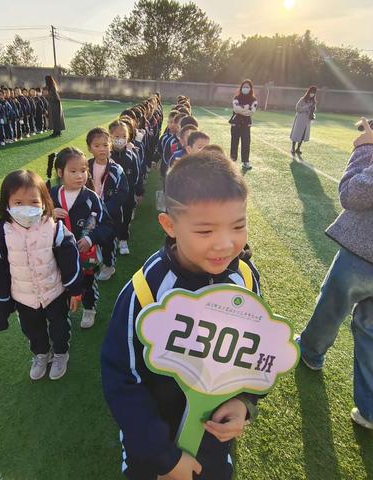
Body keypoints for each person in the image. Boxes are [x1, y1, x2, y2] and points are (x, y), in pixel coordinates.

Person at [101, 152, 262, 480]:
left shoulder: (245, 279)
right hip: (154, 443)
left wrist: (245, 401)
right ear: (170, 225)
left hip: (213, 436)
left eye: (238, 225)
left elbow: (256, 353)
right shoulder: (145, 292)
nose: (225, 243)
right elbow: (122, 379)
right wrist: (165, 457)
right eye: (205, 231)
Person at [297, 119, 373, 436]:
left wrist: (366, 148)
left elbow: (353, 194)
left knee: (332, 306)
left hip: (367, 253)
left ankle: (311, 352)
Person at [0, 170, 83, 380]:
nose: (26, 209)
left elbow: (70, 260)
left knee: (60, 327)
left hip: (54, 292)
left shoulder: (54, 228)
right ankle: (41, 354)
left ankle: (61, 353)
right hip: (24, 297)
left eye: (33, 202)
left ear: (45, 202)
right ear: (6, 203)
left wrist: (75, 290)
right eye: (18, 202)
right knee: (33, 330)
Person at [49, 147, 114, 329]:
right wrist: (49, 214)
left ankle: (89, 308)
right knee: (62, 282)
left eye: (83, 171)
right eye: (73, 171)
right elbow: (38, 221)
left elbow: (107, 225)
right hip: (58, 254)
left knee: (87, 282)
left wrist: (91, 239)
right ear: (60, 172)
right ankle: (65, 308)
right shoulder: (51, 196)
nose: (80, 176)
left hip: (85, 253)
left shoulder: (91, 198)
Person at [86, 127, 129, 281]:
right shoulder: (85, 167)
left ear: (110, 145)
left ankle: (109, 266)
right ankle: (95, 262)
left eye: (105, 145)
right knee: (90, 237)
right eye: (97, 146)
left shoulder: (117, 170)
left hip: (110, 214)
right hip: (90, 212)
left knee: (108, 240)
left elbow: (123, 193)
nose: (102, 149)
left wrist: (105, 209)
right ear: (89, 148)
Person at [109, 120, 144, 256]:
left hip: (128, 196)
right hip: (110, 196)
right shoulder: (107, 156)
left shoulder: (131, 155)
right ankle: (111, 239)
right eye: (117, 136)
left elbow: (138, 174)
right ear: (110, 136)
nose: (120, 139)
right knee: (111, 218)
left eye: (124, 136)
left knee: (126, 218)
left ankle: (123, 239)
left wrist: (139, 191)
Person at [230, 79, 258, 170]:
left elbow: (251, 112)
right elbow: (236, 109)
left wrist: (241, 109)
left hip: (246, 124)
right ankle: (232, 161)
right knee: (234, 142)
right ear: (241, 87)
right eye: (244, 87)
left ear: (251, 89)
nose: (245, 88)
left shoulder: (254, 100)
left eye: (247, 87)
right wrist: (246, 108)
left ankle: (245, 161)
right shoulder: (236, 98)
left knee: (246, 143)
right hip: (235, 123)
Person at [290, 86, 317, 155]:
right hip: (300, 119)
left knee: (303, 134)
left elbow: (313, 110)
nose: (312, 94)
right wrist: (307, 106)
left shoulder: (313, 101)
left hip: (307, 121)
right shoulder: (302, 99)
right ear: (309, 92)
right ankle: (293, 148)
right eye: (311, 92)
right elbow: (297, 108)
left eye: (314, 93)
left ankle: (298, 148)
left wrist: (312, 113)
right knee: (296, 133)